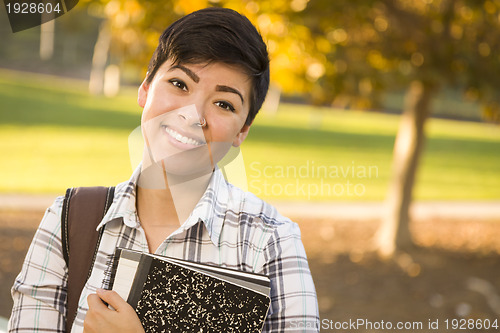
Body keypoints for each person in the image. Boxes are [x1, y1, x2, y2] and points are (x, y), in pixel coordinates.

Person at [8, 7, 320, 332]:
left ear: (243, 130)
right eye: (179, 84)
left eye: (224, 104)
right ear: (145, 89)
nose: (193, 115)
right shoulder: (69, 221)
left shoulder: (270, 241)